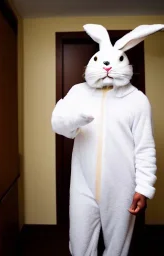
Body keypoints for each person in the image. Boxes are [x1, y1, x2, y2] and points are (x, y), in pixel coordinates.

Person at [51, 24, 164, 256]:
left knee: (118, 246)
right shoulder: (78, 92)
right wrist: (75, 119)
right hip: (82, 182)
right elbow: (59, 123)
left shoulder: (137, 100)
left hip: (122, 185)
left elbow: (145, 147)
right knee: (80, 243)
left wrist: (143, 187)